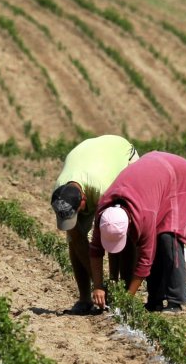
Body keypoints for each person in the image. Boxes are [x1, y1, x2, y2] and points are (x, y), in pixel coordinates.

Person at [89, 151, 186, 314]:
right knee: (158, 239)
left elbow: (145, 260)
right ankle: (155, 300)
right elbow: (95, 250)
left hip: (178, 174)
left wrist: (127, 299)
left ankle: (175, 300)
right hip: (153, 177)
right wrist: (98, 286)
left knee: (168, 237)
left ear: (128, 224)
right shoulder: (104, 213)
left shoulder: (144, 215)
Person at [50, 135, 138, 315]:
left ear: (83, 199)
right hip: (88, 154)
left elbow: (114, 234)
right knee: (73, 240)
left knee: (117, 229)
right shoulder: (60, 193)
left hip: (123, 156)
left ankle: (122, 291)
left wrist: (110, 283)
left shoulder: (103, 188)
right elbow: (77, 239)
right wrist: (98, 284)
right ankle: (84, 298)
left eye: (77, 212)